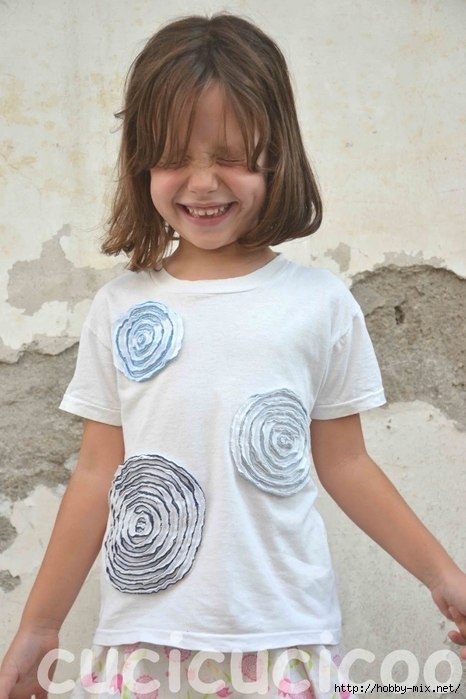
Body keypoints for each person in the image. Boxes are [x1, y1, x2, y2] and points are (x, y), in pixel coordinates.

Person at [0, 13, 465, 699]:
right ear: (141, 162)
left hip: (284, 637)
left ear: (275, 155)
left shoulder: (320, 304)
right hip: (143, 646)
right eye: (174, 157)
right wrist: (40, 625)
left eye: (230, 156)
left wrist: (444, 576)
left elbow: (347, 463)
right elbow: (98, 473)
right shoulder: (121, 308)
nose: (202, 182)